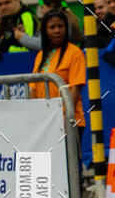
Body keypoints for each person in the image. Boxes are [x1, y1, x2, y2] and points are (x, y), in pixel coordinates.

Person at [29, 10, 86, 157]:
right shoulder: (41, 55)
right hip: (46, 122)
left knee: (69, 168)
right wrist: (35, 118)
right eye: (52, 27)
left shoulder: (75, 52)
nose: (57, 30)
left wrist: (66, 118)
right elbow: (33, 89)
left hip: (68, 121)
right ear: (45, 30)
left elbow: (75, 88)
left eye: (61, 26)